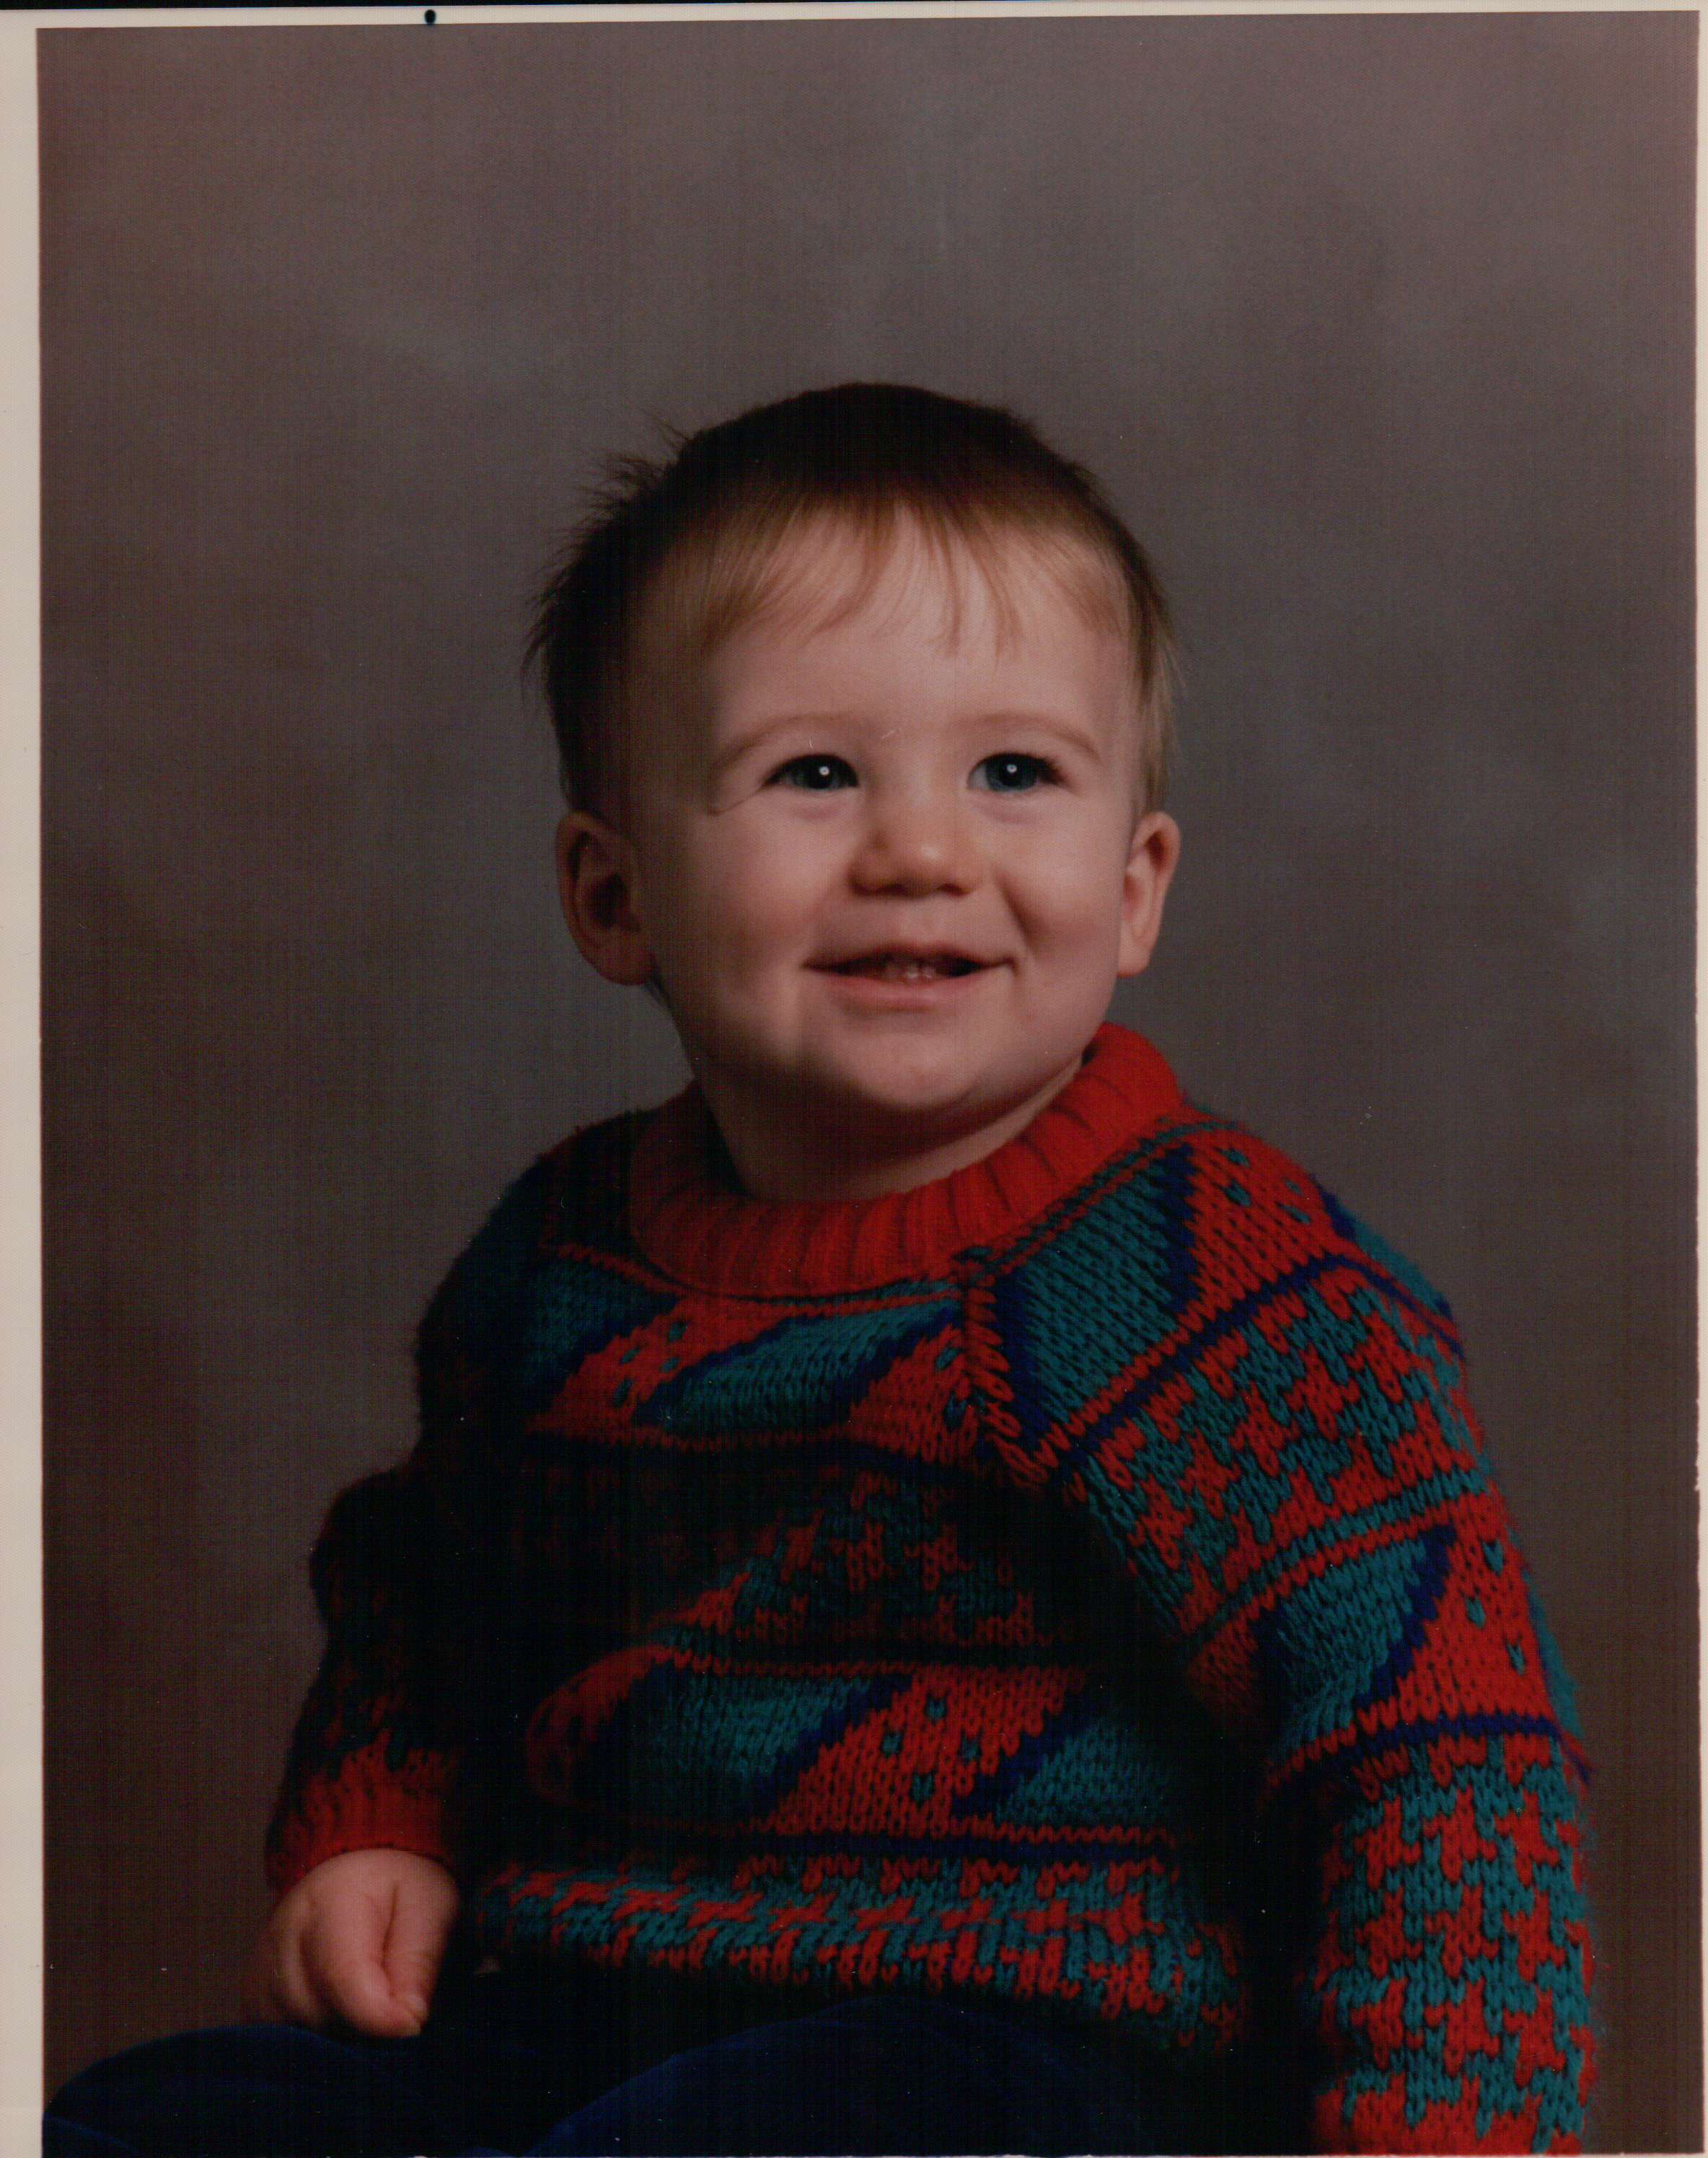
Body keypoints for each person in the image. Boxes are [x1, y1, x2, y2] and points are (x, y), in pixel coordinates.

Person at [48, 384, 1595, 2156]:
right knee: (164, 2118)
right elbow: (433, 1586)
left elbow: (1439, 1759)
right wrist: (380, 1814)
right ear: (614, 894)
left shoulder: (1207, 1285)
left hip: (1030, 2045)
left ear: (1135, 884)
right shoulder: (560, 1257)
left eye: (1012, 773)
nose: (919, 850)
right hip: (579, 2001)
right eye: (814, 773)